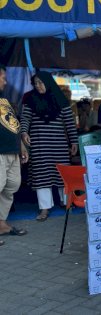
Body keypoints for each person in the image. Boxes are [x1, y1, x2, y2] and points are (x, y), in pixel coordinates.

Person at [20, 71, 78, 222]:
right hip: (40, 144)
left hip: (58, 144)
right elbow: (25, 118)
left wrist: (74, 141)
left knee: (62, 173)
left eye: (41, 82)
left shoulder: (60, 98)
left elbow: (69, 122)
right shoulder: (31, 99)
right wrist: (24, 132)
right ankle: (44, 208)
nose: (38, 86)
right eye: (35, 83)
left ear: (48, 82)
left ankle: (66, 203)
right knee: (41, 176)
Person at [0, 64, 28, 245]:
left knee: (11, 187)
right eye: (2, 77)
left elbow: (13, 125)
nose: (5, 80)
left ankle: (1, 224)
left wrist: (22, 147)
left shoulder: (4, 101)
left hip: (12, 151)